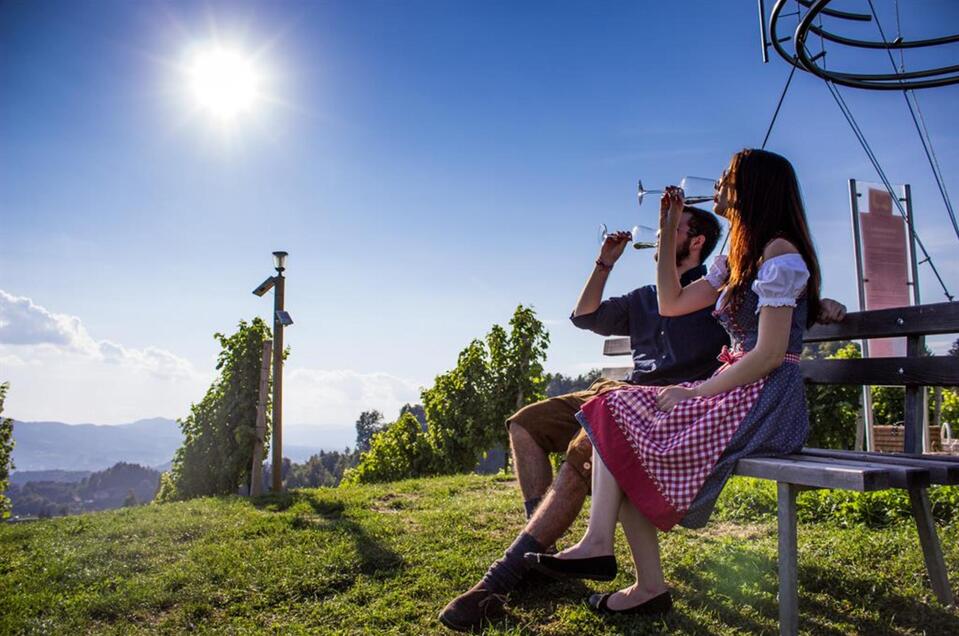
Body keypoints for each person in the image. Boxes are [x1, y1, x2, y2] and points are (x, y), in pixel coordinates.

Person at [438, 191, 845, 630]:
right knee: (527, 423)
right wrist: (608, 261)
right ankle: (548, 548)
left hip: (684, 398)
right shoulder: (658, 293)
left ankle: (512, 571)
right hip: (628, 391)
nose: (658, 235)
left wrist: (818, 303)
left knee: (601, 436)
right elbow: (586, 316)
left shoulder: (742, 280)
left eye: (677, 228)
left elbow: (772, 320)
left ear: (698, 241)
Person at [524, 148, 826, 617]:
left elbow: (768, 355)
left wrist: (696, 391)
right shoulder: (737, 259)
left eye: (727, 179)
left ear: (751, 189)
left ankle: (623, 566)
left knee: (621, 424)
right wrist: (667, 233)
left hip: (766, 400)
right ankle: (607, 551)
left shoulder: (780, 255)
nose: (720, 186)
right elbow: (670, 301)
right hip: (738, 388)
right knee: (611, 414)